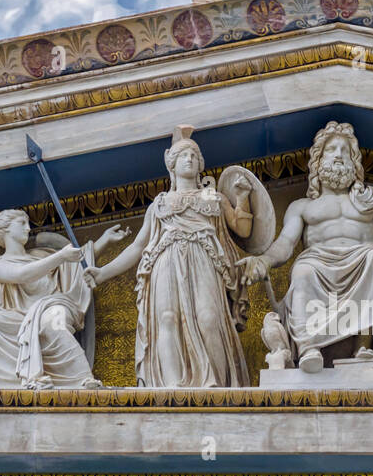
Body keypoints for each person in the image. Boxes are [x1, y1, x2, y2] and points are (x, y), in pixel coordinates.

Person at [238, 121, 373, 372]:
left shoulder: (371, 202)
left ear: (354, 162)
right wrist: (263, 260)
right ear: (318, 161)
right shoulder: (303, 206)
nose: (338, 155)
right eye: (331, 150)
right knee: (303, 270)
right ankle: (308, 349)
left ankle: (364, 346)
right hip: (318, 262)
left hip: (363, 259)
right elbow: (285, 244)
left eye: (344, 150)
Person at [85, 126, 252, 387]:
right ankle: (172, 389)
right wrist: (103, 272)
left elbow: (242, 228)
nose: (189, 159)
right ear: (171, 166)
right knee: (166, 318)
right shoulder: (160, 203)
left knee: (209, 318)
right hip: (166, 260)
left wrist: (242, 198)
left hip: (203, 259)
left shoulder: (211, 195)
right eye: (183, 155)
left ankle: (217, 386)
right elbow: (138, 246)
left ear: (200, 166)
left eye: (194, 156)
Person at [0, 209, 125, 389]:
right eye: (22, 223)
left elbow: (77, 263)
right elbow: (22, 274)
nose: (28, 228)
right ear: (6, 229)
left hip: (52, 306)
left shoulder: (40, 256)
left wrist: (104, 240)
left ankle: (83, 379)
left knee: (51, 321)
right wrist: (60, 256)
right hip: (17, 319)